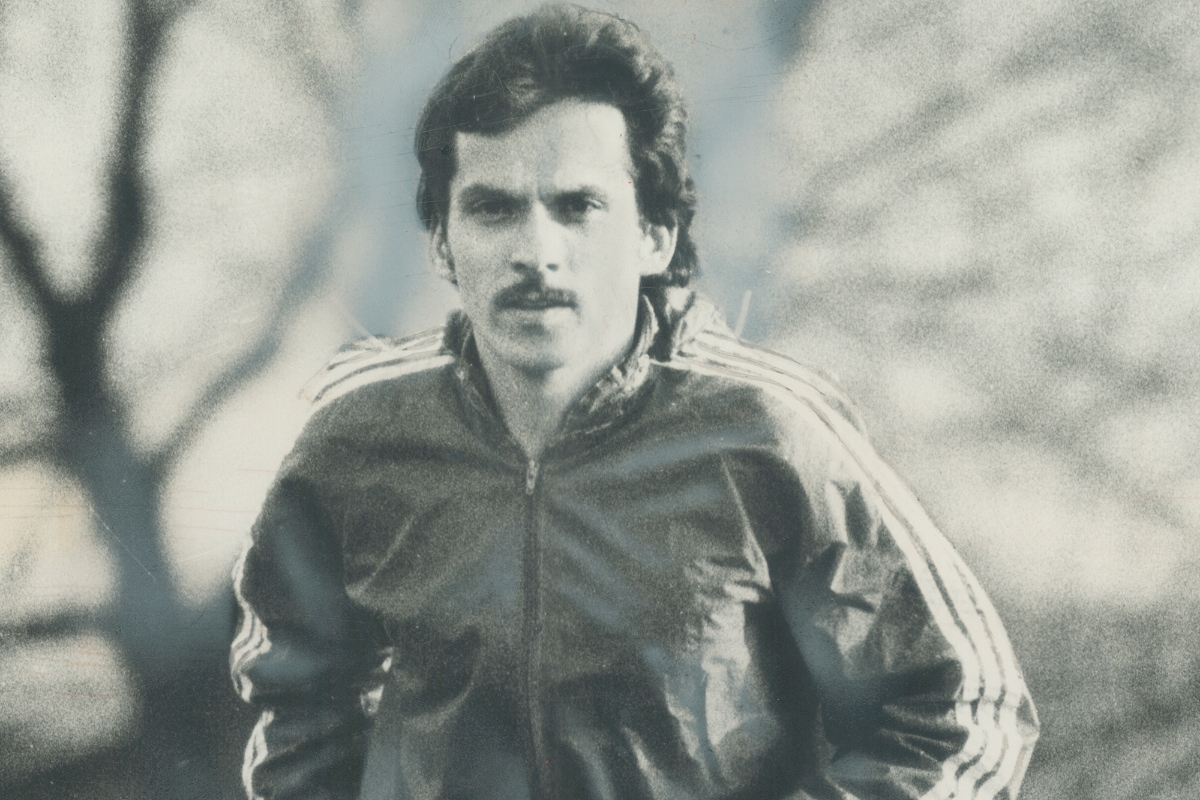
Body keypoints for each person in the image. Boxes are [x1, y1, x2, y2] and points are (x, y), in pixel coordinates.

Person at [230, 5, 1039, 799]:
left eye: (577, 207)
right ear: (442, 241)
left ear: (655, 235)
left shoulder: (768, 433)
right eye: (493, 208)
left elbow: (966, 712)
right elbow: (299, 712)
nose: (535, 251)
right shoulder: (358, 440)